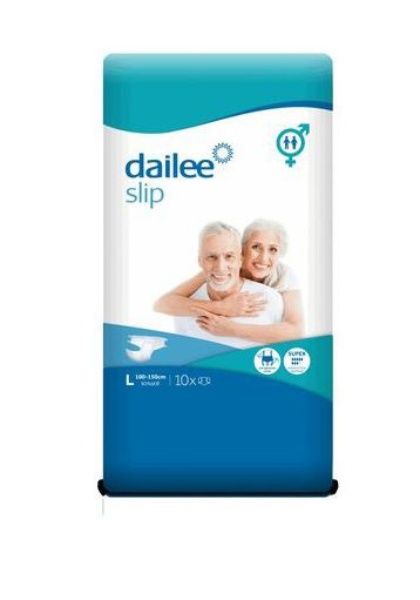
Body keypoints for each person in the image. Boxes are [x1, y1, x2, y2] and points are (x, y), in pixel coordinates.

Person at [154, 219, 304, 345]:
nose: (263, 258)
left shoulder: (283, 277)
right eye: (256, 247)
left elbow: (296, 331)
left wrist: (232, 329)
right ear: (243, 251)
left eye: (273, 249)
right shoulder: (217, 271)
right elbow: (163, 304)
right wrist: (222, 307)